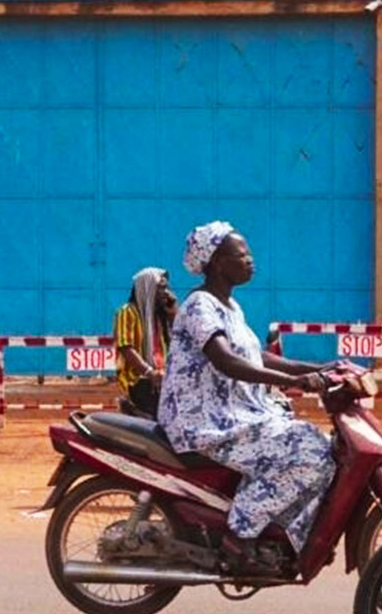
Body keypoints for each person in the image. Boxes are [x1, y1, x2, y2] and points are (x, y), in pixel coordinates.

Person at [157, 221, 342, 571]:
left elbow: (258, 357)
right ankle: (239, 535)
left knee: (321, 450)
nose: (250, 261)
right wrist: (299, 384)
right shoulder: (199, 306)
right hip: (203, 421)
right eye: (241, 255)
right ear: (215, 262)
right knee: (309, 450)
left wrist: (317, 367)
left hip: (236, 414)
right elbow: (226, 360)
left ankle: (279, 535)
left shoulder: (230, 307)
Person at [112, 267, 175, 418]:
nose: (166, 293)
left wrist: (173, 314)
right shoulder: (127, 312)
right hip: (139, 381)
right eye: (161, 288)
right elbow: (126, 347)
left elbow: (176, 342)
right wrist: (149, 373)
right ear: (148, 288)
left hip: (161, 379)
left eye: (167, 288)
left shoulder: (160, 316)